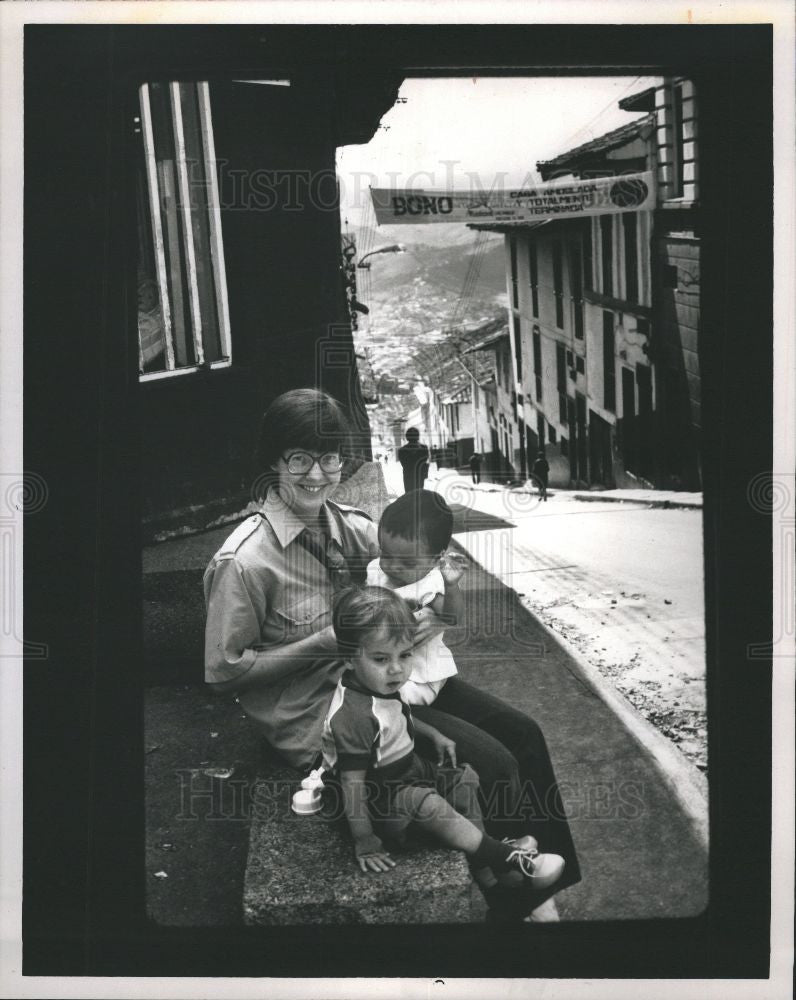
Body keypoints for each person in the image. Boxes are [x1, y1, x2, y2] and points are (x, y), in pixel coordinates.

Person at [204, 387, 580, 921]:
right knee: (491, 763)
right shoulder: (244, 562)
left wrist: (433, 607)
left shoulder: (351, 528)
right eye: (300, 459)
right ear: (273, 463)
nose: (318, 474)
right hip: (326, 716)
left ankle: (544, 889)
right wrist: (321, 644)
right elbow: (223, 674)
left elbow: (413, 565)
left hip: (388, 682)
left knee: (524, 732)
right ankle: (518, 900)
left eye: (330, 458)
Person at [322, 585, 566, 895]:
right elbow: (352, 784)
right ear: (349, 658)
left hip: (402, 771)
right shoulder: (352, 716)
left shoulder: (377, 682)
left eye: (405, 654)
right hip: (375, 797)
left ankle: (486, 869)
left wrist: (434, 734)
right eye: (382, 658)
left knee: (464, 779)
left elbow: (398, 714)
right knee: (430, 804)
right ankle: (506, 858)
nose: (397, 668)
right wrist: (365, 840)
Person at [366, 490, 462, 707]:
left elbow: (452, 617)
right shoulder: (375, 571)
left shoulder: (430, 584)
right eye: (386, 555)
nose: (393, 567)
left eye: (407, 563)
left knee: (384, 699)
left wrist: (452, 585)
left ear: (436, 558)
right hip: (383, 664)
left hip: (419, 676)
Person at [397, 427, 430, 494]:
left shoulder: (402, 450)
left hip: (408, 476)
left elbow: (404, 465)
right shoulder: (424, 448)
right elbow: (424, 461)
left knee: (409, 495)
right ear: (418, 436)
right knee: (419, 495)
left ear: (407, 437)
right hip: (419, 475)